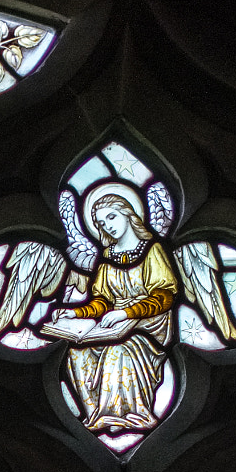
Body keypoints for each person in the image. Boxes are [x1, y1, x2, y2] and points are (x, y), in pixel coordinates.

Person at [41, 186, 180, 438]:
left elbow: (164, 297)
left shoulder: (153, 250)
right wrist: (77, 314)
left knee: (118, 351)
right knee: (77, 353)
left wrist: (127, 312)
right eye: (101, 223)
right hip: (113, 323)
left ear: (128, 214)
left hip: (146, 325)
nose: (108, 226)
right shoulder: (107, 256)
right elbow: (103, 301)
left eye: (112, 217)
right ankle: (98, 416)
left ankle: (129, 416)